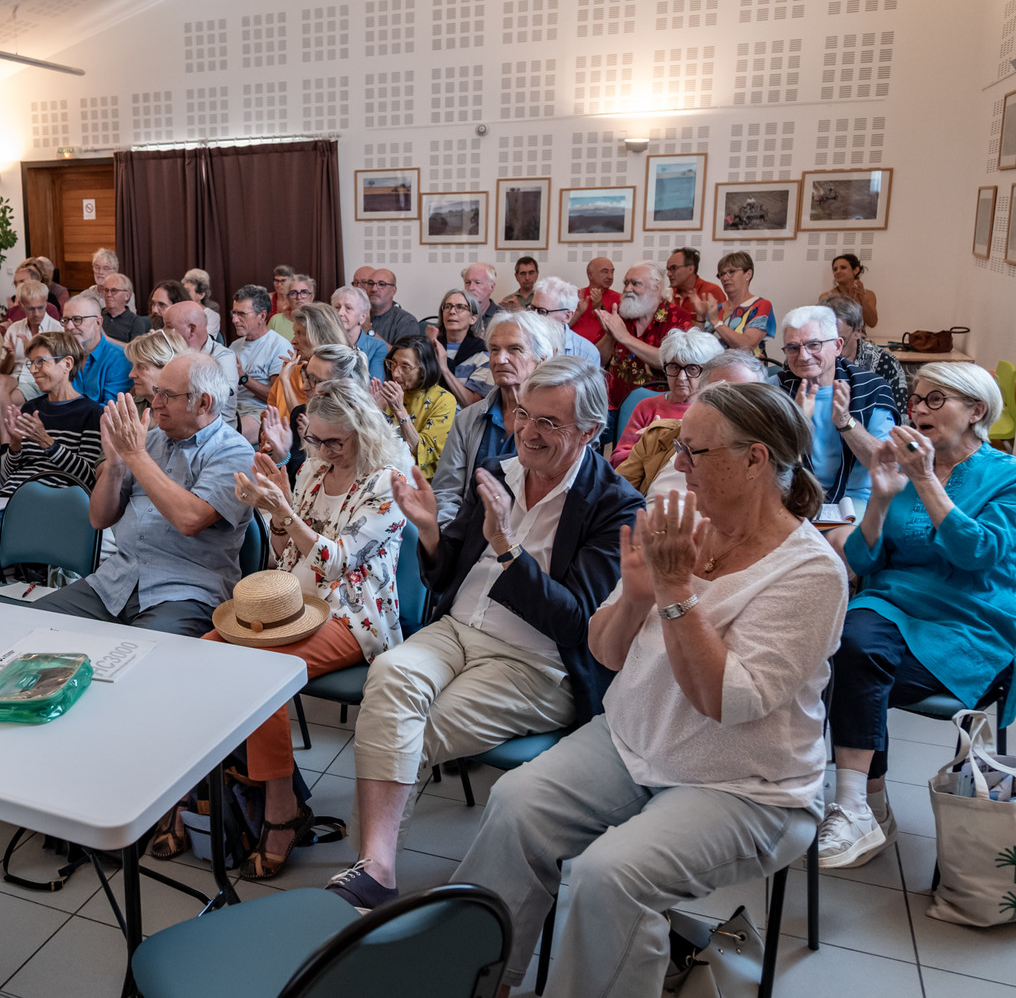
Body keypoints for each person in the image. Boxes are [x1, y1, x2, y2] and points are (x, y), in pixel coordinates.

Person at [450, 381, 845, 997]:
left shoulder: (811, 572)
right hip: (634, 741)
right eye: (679, 448)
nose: (677, 465)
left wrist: (675, 590)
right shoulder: (683, 522)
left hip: (748, 784)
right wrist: (637, 593)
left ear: (755, 459)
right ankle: (477, 982)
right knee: (516, 805)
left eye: (695, 453)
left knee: (610, 877)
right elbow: (604, 650)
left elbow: (727, 701)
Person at [326, 356, 641, 910]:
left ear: (590, 432)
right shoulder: (496, 469)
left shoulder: (615, 505)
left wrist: (508, 547)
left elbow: (575, 622)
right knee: (390, 672)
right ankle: (375, 871)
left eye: (550, 423)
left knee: (401, 733)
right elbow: (447, 571)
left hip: (535, 663)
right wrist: (428, 530)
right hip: (456, 629)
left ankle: (373, 873)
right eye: (525, 414)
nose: (528, 431)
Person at [182, 380, 409, 880]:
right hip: (295, 602)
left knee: (263, 672)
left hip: (356, 614)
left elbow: (337, 564)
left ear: (364, 433)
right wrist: (272, 509)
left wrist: (284, 509)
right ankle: (206, 789)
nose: (323, 452)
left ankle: (281, 809)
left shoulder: (388, 482)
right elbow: (285, 549)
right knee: (204, 652)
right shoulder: (312, 469)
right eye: (317, 441)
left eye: (335, 442)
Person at [820, 362, 1016, 869]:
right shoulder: (902, 470)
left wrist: (925, 479)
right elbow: (864, 562)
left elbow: (979, 553)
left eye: (936, 400)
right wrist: (881, 499)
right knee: (844, 646)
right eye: (917, 399)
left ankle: (864, 804)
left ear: (976, 411)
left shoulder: (1007, 476)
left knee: (853, 665)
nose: (920, 409)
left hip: (968, 622)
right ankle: (861, 803)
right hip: (890, 608)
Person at [32, 353, 253, 635]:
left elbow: (190, 519)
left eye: (168, 395)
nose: (156, 402)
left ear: (203, 402)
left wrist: (135, 455)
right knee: (30, 627)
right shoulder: (148, 441)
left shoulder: (233, 451)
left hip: (186, 592)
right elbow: (99, 519)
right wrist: (114, 464)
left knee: (144, 659)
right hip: (115, 581)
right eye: (157, 391)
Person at [0, 331, 105, 587]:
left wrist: (48, 443)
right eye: (31, 363)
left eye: (41, 362)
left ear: (67, 364)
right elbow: (6, 477)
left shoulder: (92, 414)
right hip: (11, 497)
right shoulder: (30, 408)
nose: (34, 370)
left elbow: (88, 479)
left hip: (54, 503)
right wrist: (14, 445)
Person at [777, 305, 896, 537]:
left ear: (838, 346)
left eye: (814, 345)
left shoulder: (872, 389)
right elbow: (765, 462)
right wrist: (797, 423)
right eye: (793, 347)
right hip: (790, 496)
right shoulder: (776, 388)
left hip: (853, 500)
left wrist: (845, 421)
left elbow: (882, 464)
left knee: (841, 546)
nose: (803, 356)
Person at [431, 311, 557, 525]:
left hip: (528, 537)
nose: (500, 359)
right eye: (494, 350)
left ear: (541, 359)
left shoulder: (555, 424)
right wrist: (451, 540)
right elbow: (446, 491)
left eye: (515, 349)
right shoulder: (468, 419)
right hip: (467, 536)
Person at [616, 349, 767, 496]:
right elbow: (615, 495)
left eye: (740, 395)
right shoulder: (661, 435)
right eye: (717, 393)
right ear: (700, 394)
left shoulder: (761, 455)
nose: (727, 404)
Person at [258, 342, 369, 484]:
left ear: (346, 385)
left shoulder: (368, 426)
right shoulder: (301, 413)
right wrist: (280, 455)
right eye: (305, 377)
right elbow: (292, 483)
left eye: (314, 381)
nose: (304, 387)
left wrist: (314, 448)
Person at [610, 328, 722, 465]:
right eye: (674, 367)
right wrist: (647, 445)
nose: (681, 378)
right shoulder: (646, 407)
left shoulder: (714, 411)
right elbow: (617, 461)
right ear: (664, 368)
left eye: (692, 369)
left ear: (706, 372)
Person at [596, 259, 697, 411]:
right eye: (625, 283)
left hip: (658, 410)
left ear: (656, 287)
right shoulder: (621, 314)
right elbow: (598, 360)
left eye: (635, 283)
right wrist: (610, 335)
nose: (627, 289)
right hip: (613, 408)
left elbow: (673, 361)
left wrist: (625, 338)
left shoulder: (677, 317)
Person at [372, 335, 456, 480]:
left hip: (417, 481)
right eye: (393, 363)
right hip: (380, 472)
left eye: (405, 367)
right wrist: (375, 411)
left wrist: (400, 411)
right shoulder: (389, 393)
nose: (395, 373)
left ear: (424, 369)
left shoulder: (443, 400)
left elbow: (424, 453)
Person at [0, 279, 64, 444]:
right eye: (31, 309)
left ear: (46, 304)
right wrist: (10, 355)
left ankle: (3, 445)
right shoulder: (14, 328)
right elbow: (3, 371)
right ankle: (5, 445)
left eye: (41, 307)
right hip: (16, 377)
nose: (37, 313)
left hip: (38, 381)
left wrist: (32, 354)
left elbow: (58, 370)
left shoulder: (56, 329)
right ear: (22, 306)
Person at [230, 285, 293, 442]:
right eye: (234, 313)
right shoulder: (235, 346)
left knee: (228, 438)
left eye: (242, 314)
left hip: (261, 411)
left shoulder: (279, 346)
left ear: (262, 316)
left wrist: (243, 378)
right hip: (232, 408)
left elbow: (276, 396)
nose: (234, 320)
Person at [822, 292, 908, 407]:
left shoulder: (885, 363)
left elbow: (899, 417)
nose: (833, 349)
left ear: (858, 332)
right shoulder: (807, 360)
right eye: (824, 341)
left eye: (840, 341)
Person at [162, 301, 239, 428]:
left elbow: (213, 401)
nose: (163, 332)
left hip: (216, 432)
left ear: (191, 329)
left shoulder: (224, 357)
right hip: (181, 426)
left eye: (168, 326)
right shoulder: (170, 353)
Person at [268, 302, 347, 421]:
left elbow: (308, 428)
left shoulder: (338, 377)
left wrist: (286, 382)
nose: (293, 341)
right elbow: (267, 416)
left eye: (300, 334)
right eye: (295, 334)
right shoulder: (289, 373)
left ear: (322, 337)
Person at [694, 250, 776, 360]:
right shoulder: (716, 309)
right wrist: (700, 317)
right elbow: (697, 348)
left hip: (747, 371)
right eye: (721, 274)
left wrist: (717, 323)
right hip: (712, 370)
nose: (725, 278)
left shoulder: (761, 305)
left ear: (748, 274)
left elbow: (747, 346)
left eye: (731, 272)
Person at [61, 295, 133, 406]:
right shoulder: (60, 354)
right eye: (65, 320)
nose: (69, 326)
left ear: (98, 323)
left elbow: (110, 411)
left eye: (77, 319)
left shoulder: (119, 358)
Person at [426, 289, 488, 407]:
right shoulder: (431, 344)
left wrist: (444, 368)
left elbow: (472, 405)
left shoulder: (483, 354)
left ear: (473, 318)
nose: (452, 311)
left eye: (460, 307)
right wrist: (426, 348)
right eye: (448, 307)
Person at [529, 276, 601, 366]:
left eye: (542, 311)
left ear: (567, 316)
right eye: (532, 308)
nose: (533, 316)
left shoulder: (586, 353)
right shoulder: (520, 341)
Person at [124, 329, 191, 422]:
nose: (131, 375)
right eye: (133, 366)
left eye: (141, 367)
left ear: (169, 367)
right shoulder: (131, 406)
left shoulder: (189, 416)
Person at [330, 285, 387, 380]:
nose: (340, 313)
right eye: (337, 307)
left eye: (348, 308)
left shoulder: (377, 346)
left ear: (363, 316)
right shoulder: (324, 343)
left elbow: (374, 386)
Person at [665, 246, 727, 320]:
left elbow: (721, 325)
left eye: (673, 268)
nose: (668, 274)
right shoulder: (668, 294)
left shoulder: (711, 292)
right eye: (668, 269)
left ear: (690, 269)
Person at [570, 257, 619, 347]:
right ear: (590, 275)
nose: (610, 276)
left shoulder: (619, 299)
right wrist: (578, 313)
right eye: (605, 272)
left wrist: (599, 307)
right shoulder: (575, 296)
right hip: (572, 350)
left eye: (612, 272)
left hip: (603, 354)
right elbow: (560, 328)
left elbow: (618, 333)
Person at [365, 268, 420, 345]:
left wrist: (369, 330)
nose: (374, 289)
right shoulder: (358, 315)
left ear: (393, 290)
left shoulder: (406, 321)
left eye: (381, 284)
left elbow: (401, 356)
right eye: (370, 283)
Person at [100, 273, 150, 343]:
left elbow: (133, 351)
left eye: (114, 291)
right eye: (106, 290)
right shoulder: (97, 314)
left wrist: (106, 339)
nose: (108, 295)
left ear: (127, 296)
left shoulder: (136, 322)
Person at [832, 253, 877, 329]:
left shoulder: (868, 295)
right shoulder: (827, 296)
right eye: (835, 269)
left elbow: (872, 323)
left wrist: (862, 300)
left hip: (859, 338)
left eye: (843, 268)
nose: (838, 271)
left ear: (855, 270)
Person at [460, 262, 502, 336]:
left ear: (491, 287)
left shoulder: (503, 318)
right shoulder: (457, 314)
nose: (471, 288)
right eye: (467, 283)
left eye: (477, 283)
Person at [181, 268, 222, 341]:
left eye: (187, 291)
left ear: (201, 295)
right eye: (183, 291)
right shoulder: (179, 312)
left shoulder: (212, 316)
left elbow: (205, 342)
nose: (183, 294)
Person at [268, 265, 298, 338]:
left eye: (283, 281)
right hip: (269, 339)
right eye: (276, 281)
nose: (279, 284)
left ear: (292, 281)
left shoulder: (297, 300)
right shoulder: (267, 298)